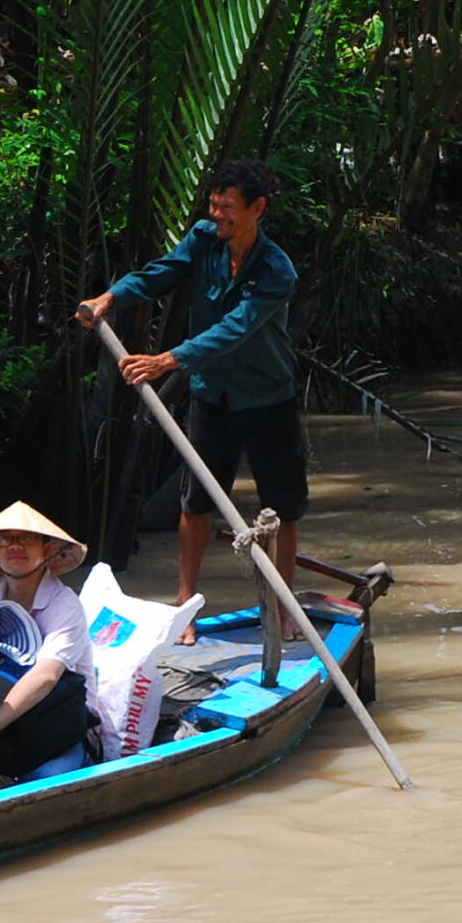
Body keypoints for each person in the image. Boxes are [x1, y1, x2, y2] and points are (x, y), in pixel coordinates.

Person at [74, 159, 304, 634]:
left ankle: (282, 608)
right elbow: (161, 273)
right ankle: (186, 607)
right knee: (196, 502)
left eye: (229, 208)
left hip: (267, 397)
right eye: (214, 205)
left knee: (281, 508)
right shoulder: (203, 240)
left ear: (257, 209)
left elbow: (233, 330)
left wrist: (165, 361)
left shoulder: (277, 271)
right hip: (212, 395)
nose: (218, 215)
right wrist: (110, 298)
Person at [0, 502, 98, 785]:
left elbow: (46, 676)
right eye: (5, 539)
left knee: (43, 781)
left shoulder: (64, 604)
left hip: (56, 721)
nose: (14, 546)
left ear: (46, 549)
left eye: (27, 538)